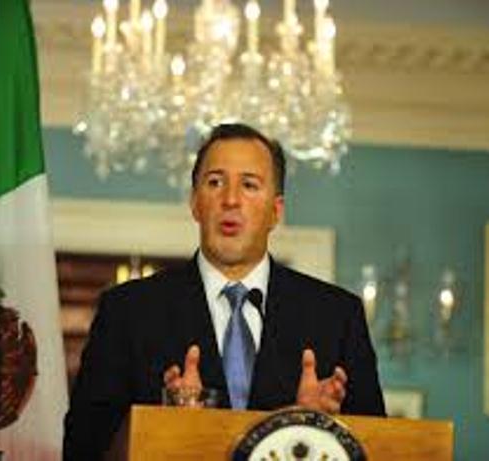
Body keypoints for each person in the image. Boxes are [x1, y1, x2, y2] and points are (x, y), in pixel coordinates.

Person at [63, 123, 385, 460]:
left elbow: (380, 447)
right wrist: (163, 427)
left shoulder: (337, 316)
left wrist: (315, 426)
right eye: (215, 182)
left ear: (276, 211)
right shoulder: (128, 310)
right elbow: (81, 448)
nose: (230, 200)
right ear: (195, 203)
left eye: (249, 185)